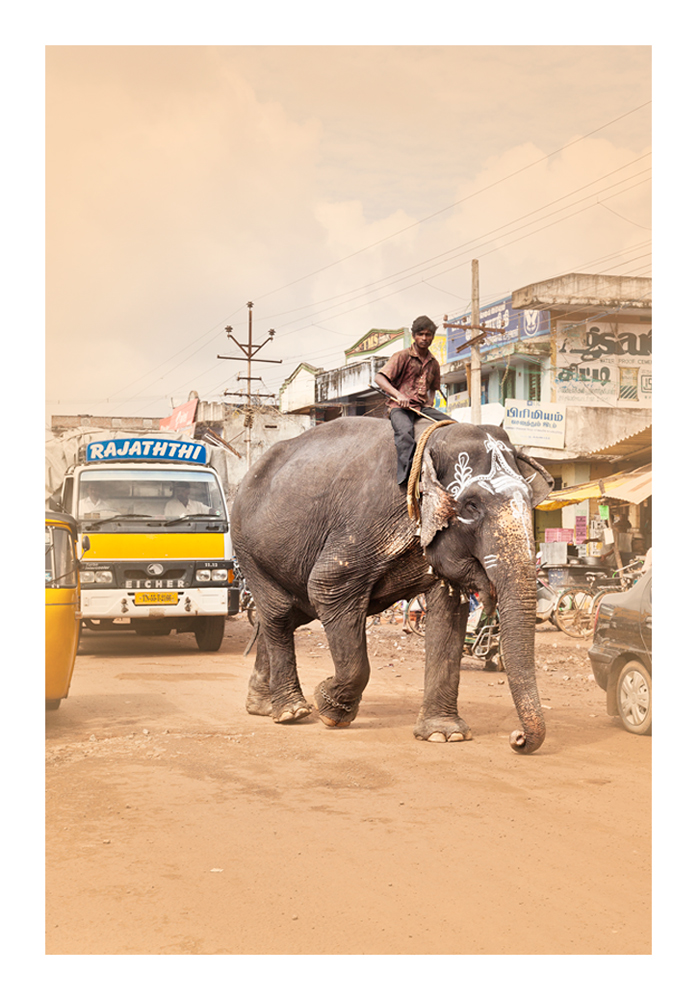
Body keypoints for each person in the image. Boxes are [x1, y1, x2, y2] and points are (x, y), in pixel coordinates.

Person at [374, 315, 446, 486]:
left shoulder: (434, 363)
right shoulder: (402, 356)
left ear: (432, 337)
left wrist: (430, 402)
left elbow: (433, 388)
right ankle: (407, 480)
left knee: (452, 424)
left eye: (428, 335)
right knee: (405, 433)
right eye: (420, 334)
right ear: (414, 335)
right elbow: (379, 378)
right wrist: (398, 395)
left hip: (421, 408)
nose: (424, 338)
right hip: (399, 407)